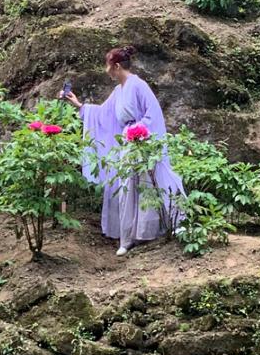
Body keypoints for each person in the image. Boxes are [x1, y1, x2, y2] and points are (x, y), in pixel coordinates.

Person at [66, 45, 185, 257]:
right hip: (127, 144)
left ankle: (172, 224)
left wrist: (139, 131)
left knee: (152, 181)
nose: (106, 70)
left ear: (117, 66)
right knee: (127, 187)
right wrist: (79, 106)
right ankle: (128, 237)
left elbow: (153, 114)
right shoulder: (118, 91)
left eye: (108, 66)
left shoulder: (139, 85)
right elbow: (104, 114)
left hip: (143, 141)